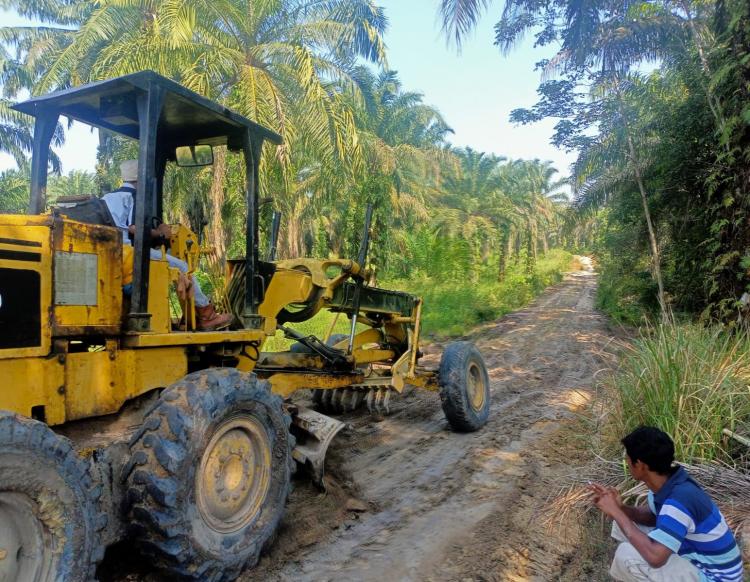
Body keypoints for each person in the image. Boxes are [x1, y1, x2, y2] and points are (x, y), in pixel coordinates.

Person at [589, 426, 743, 582]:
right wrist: (622, 509)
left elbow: (656, 558)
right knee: (621, 525)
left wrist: (616, 512)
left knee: (626, 556)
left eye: (627, 457)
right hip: (701, 562)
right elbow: (654, 517)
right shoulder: (670, 483)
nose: (626, 461)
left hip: (715, 577)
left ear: (641, 464)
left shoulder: (678, 501)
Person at [103, 160, 232, 331]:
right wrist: (160, 233)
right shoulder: (133, 197)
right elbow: (133, 228)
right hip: (129, 253)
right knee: (182, 265)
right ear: (139, 179)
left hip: (110, 253)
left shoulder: (107, 198)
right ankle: (207, 315)